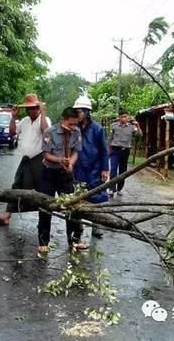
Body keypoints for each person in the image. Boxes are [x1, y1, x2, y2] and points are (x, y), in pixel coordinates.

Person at [0, 93, 50, 225]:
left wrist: (43, 112)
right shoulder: (25, 121)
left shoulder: (45, 119)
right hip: (26, 158)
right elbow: (12, 132)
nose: (30, 110)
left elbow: (45, 131)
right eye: (28, 108)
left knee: (41, 190)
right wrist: (13, 116)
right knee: (17, 185)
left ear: (38, 108)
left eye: (33, 108)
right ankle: (7, 214)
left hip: (39, 158)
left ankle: (43, 220)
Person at [38, 107, 87, 254]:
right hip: (49, 173)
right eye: (70, 124)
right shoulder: (49, 132)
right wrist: (60, 160)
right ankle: (43, 242)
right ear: (63, 120)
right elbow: (46, 155)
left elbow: (76, 152)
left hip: (65, 174)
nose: (73, 127)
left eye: (75, 124)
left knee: (72, 206)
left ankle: (74, 240)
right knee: (46, 206)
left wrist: (70, 163)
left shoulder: (76, 132)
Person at [72, 93, 109, 238]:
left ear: (87, 112)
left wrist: (105, 169)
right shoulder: (74, 127)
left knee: (96, 197)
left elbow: (104, 150)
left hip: (94, 167)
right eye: (76, 111)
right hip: (77, 167)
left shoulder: (97, 129)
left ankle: (97, 226)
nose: (78, 114)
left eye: (80, 111)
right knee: (77, 197)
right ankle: (77, 226)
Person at [108, 109, 142, 198]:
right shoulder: (114, 126)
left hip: (125, 151)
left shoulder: (132, 127)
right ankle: (111, 189)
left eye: (126, 116)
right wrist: (108, 150)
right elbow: (110, 138)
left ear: (128, 117)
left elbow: (139, 135)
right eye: (122, 117)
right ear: (119, 117)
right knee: (113, 169)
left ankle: (119, 189)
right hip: (115, 150)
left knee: (123, 171)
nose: (124, 118)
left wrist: (137, 125)